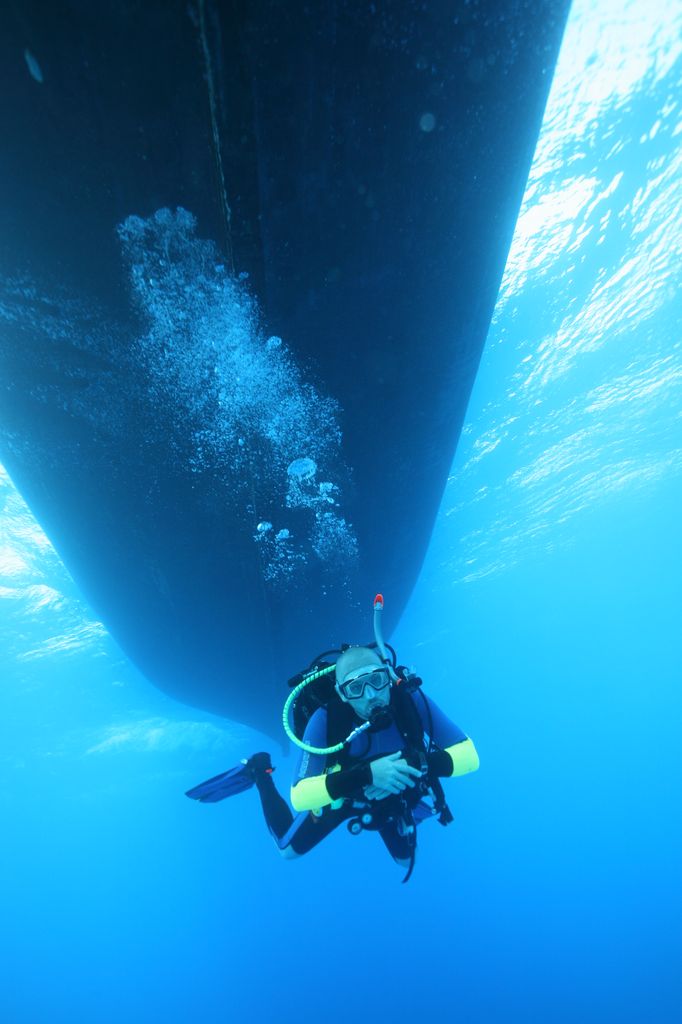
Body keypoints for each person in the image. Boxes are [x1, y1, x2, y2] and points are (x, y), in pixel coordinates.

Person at [187, 640, 479, 880]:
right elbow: (300, 796)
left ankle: (384, 813)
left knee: (405, 861)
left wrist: (409, 765)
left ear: (389, 678)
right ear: (342, 693)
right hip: (342, 796)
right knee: (287, 851)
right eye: (356, 688)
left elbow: (469, 757)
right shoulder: (326, 719)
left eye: (377, 680)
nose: (371, 695)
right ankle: (258, 769)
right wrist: (367, 775)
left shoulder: (411, 701)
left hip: (396, 789)